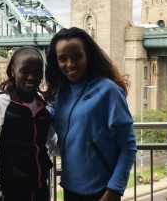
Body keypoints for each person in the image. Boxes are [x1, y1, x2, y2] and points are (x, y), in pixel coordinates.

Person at [44, 27, 137, 201]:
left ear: (88, 56)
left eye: (77, 56)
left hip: (102, 191)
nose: (70, 64)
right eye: (62, 59)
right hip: (70, 189)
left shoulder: (108, 91)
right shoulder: (60, 93)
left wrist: (114, 190)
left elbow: (128, 145)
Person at [0, 46, 57, 201]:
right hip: (10, 193)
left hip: (41, 191)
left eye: (36, 72)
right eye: (25, 71)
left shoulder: (44, 108)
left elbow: (52, 145)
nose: (31, 77)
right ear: (13, 70)